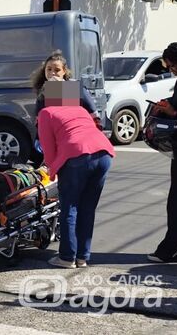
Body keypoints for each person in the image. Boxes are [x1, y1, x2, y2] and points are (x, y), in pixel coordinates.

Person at [38, 80, 114, 268]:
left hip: (77, 156)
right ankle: (82, 257)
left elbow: (48, 150)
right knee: (87, 208)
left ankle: (66, 257)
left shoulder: (46, 113)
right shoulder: (80, 109)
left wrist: (52, 170)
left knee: (70, 208)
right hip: (104, 153)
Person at [147, 42, 177, 263]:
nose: (171, 70)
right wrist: (166, 104)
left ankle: (171, 249)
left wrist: (172, 110)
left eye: (173, 66)